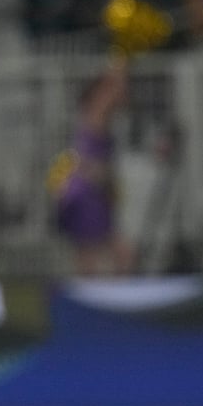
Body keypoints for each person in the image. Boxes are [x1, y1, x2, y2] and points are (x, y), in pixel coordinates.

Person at [53, 56, 135, 276]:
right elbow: (87, 162)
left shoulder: (98, 114)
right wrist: (117, 72)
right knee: (96, 259)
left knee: (109, 256)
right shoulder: (97, 111)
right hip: (87, 193)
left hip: (94, 192)